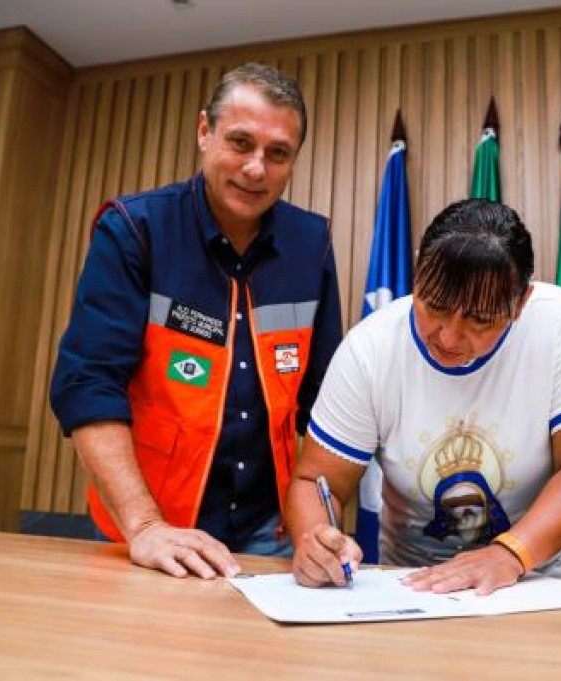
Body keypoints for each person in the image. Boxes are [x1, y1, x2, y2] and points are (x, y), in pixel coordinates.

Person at [50, 63, 343, 579]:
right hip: (151, 529)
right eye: (240, 142)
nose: (256, 169)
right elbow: (88, 383)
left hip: (268, 530)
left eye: (278, 153)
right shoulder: (135, 229)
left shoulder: (310, 243)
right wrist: (144, 526)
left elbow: (325, 405)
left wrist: (315, 529)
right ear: (204, 131)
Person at [287, 198, 561, 595]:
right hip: (415, 582)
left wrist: (509, 554)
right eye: (435, 306)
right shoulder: (370, 348)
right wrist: (315, 540)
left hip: (546, 574)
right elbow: (314, 481)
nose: (448, 338)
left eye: (480, 319)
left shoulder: (557, 322)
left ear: (520, 303)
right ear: (418, 272)